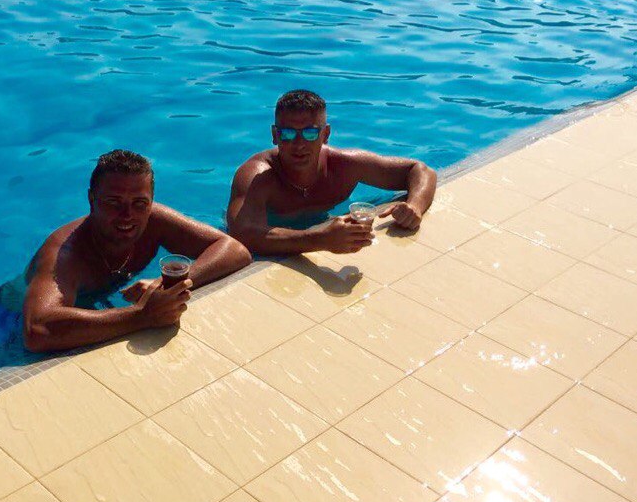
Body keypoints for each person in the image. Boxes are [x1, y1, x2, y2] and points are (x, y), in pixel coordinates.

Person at [22, 149, 251, 352]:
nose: (127, 215)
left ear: (151, 202)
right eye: (114, 202)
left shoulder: (155, 221)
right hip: (16, 310)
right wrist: (142, 315)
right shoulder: (65, 254)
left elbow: (235, 249)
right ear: (91, 199)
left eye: (139, 203)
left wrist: (166, 285)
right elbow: (37, 330)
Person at [227, 90, 436, 256]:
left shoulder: (344, 165)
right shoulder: (258, 176)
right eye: (288, 133)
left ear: (325, 134)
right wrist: (320, 239)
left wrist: (415, 206)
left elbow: (419, 170)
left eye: (310, 133)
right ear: (275, 135)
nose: (299, 144)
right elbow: (243, 233)